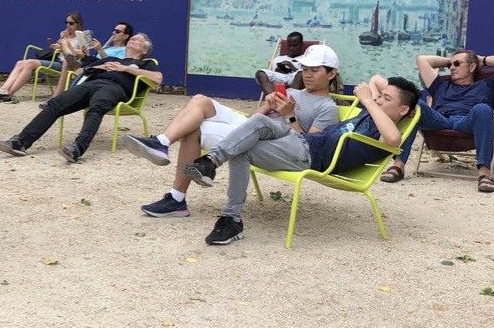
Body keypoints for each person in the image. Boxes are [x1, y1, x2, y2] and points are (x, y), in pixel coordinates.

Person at [180, 77, 420, 245]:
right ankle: (210, 163)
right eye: (380, 97)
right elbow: (377, 80)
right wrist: (379, 96)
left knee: (243, 148)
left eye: (386, 99)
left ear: (402, 110)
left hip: (309, 155)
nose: (379, 100)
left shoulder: (383, 129)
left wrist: (368, 100)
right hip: (300, 139)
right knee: (260, 122)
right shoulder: (376, 111)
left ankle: (229, 214)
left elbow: (394, 138)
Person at [129, 44, 343, 218]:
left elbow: (309, 145)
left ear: (331, 73)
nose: (307, 75)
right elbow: (253, 120)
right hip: (253, 129)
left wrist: (290, 115)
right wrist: (267, 107)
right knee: (200, 100)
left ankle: (176, 199)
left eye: (314, 70)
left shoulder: (327, 107)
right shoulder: (293, 92)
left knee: (194, 130)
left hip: (275, 142)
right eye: (305, 69)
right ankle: (162, 141)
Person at [0, 33, 162, 163]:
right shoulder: (111, 59)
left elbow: (157, 78)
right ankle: (21, 142)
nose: (133, 39)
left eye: (137, 40)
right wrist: (100, 65)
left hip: (115, 88)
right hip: (91, 84)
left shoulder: (146, 63)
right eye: (132, 38)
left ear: (144, 50)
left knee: (97, 107)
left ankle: (77, 148)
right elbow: (77, 69)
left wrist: (126, 69)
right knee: (55, 104)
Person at [377, 50, 494, 193]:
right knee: (416, 105)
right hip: (440, 120)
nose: (451, 67)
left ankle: (484, 173)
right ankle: (398, 165)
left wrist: (482, 60)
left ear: (471, 67)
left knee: (483, 109)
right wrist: (449, 61)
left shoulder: (488, 86)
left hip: (467, 122)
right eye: (450, 65)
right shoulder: (440, 85)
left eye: (457, 64)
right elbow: (422, 60)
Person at [0, 12, 85, 102]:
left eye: (71, 23)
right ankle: (3, 90)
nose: (68, 25)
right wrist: (57, 45)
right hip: (56, 60)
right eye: (66, 22)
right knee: (20, 63)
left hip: (68, 64)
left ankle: (9, 94)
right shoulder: (63, 33)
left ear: (78, 24)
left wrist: (68, 44)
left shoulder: (81, 36)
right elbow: (61, 47)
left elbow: (83, 54)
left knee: (30, 63)